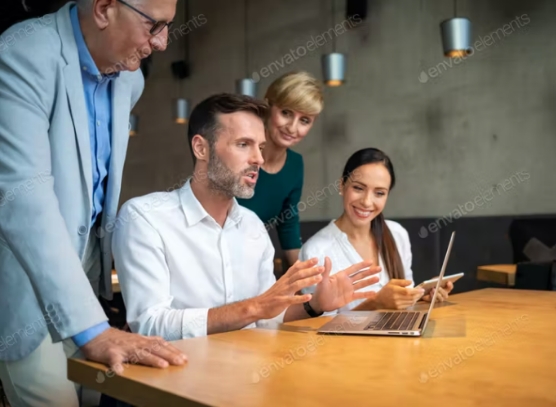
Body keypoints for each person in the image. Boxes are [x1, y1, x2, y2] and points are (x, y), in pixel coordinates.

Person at [0, 1, 187, 406]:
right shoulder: (23, 51)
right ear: (104, 9)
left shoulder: (128, 80)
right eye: (154, 25)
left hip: (89, 289)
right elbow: (23, 195)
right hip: (27, 291)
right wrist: (92, 330)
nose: (162, 43)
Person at [111, 93, 381, 341]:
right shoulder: (144, 217)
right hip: (178, 381)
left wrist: (314, 305)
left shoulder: (252, 225)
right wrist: (252, 308)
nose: (259, 159)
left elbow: (267, 316)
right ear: (201, 148)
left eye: (261, 147)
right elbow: (150, 324)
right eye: (243, 145)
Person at [299, 148, 454, 314]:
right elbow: (320, 329)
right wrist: (375, 303)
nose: (367, 202)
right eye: (358, 188)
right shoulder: (316, 252)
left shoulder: (397, 233)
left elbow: (404, 297)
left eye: (379, 193)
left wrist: (422, 294)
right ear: (342, 185)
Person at [236, 71, 323, 269]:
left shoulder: (295, 165)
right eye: (286, 113)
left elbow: (288, 225)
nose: (292, 128)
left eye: (304, 120)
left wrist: (306, 286)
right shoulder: (239, 149)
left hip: (251, 264)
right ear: (268, 107)